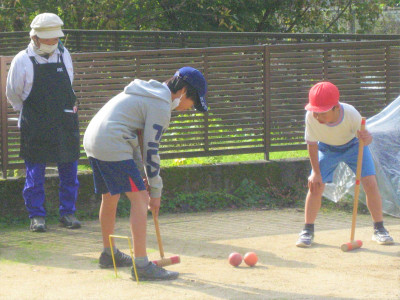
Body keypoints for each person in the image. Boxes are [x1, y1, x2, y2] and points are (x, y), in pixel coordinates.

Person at [83, 66, 208, 281]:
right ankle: (141, 265)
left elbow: (139, 142)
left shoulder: (147, 93)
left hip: (94, 139)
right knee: (140, 200)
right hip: (113, 141)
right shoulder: (160, 105)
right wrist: (155, 192)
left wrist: (144, 176)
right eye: (193, 103)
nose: (190, 108)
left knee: (110, 195)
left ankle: (108, 254)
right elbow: (151, 150)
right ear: (184, 91)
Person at [6, 13, 81, 232]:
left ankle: (68, 213)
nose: (52, 43)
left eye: (55, 39)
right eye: (48, 39)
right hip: (35, 124)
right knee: (34, 173)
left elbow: (69, 83)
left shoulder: (64, 54)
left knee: (70, 170)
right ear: (35, 37)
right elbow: (13, 94)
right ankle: (36, 216)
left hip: (64, 121)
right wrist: (30, 113)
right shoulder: (22, 60)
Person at [296, 81, 394, 247]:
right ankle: (307, 230)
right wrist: (315, 172)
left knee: (370, 183)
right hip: (326, 148)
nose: (318, 117)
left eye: (322, 113)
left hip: (354, 147)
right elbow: (312, 144)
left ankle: (379, 229)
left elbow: (367, 138)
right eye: (315, 112)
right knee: (316, 185)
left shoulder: (350, 114)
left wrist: (366, 138)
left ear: (336, 107)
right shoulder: (311, 118)